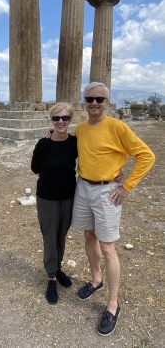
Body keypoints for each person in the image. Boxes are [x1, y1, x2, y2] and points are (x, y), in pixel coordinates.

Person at [71, 82, 155, 337]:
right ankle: (96, 280)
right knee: (88, 236)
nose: (94, 103)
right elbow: (76, 152)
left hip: (108, 191)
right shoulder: (80, 129)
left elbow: (146, 155)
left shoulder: (117, 127)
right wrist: (50, 135)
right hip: (83, 187)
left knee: (108, 247)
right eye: (89, 99)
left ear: (106, 102)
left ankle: (112, 304)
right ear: (84, 102)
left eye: (99, 99)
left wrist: (127, 186)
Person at [31, 103, 77, 304]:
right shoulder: (43, 144)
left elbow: (95, 156)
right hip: (47, 196)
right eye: (56, 118)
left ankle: (57, 268)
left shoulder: (75, 142)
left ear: (70, 120)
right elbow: (35, 169)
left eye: (65, 118)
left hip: (68, 196)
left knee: (61, 234)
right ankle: (51, 277)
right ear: (51, 120)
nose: (60, 122)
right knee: (49, 236)